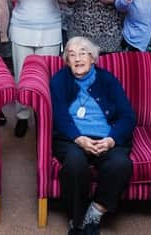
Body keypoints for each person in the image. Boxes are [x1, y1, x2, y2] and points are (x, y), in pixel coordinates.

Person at [51, 36, 136, 234]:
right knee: (74, 165)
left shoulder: (107, 80)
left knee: (120, 164)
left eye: (83, 53)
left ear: (93, 58)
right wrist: (78, 138)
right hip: (73, 138)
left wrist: (111, 140)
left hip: (106, 138)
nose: (78, 59)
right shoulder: (60, 80)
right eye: (72, 55)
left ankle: (95, 212)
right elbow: (59, 116)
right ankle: (77, 220)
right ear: (67, 61)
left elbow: (127, 116)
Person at [7, 0, 61, 137]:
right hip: (22, 27)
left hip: (50, 27)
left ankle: (42, 114)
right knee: (22, 74)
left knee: (46, 75)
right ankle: (22, 115)